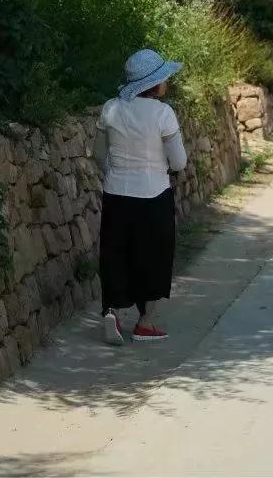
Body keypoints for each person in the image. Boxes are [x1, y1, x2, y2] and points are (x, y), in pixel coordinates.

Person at [93, 48, 187, 346]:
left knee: (115, 253)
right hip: (154, 194)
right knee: (153, 257)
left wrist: (115, 172)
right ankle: (145, 323)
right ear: (155, 85)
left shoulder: (111, 108)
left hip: (116, 194)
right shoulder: (163, 114)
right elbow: (179, 162)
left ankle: (112, 312)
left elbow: (98, 154)